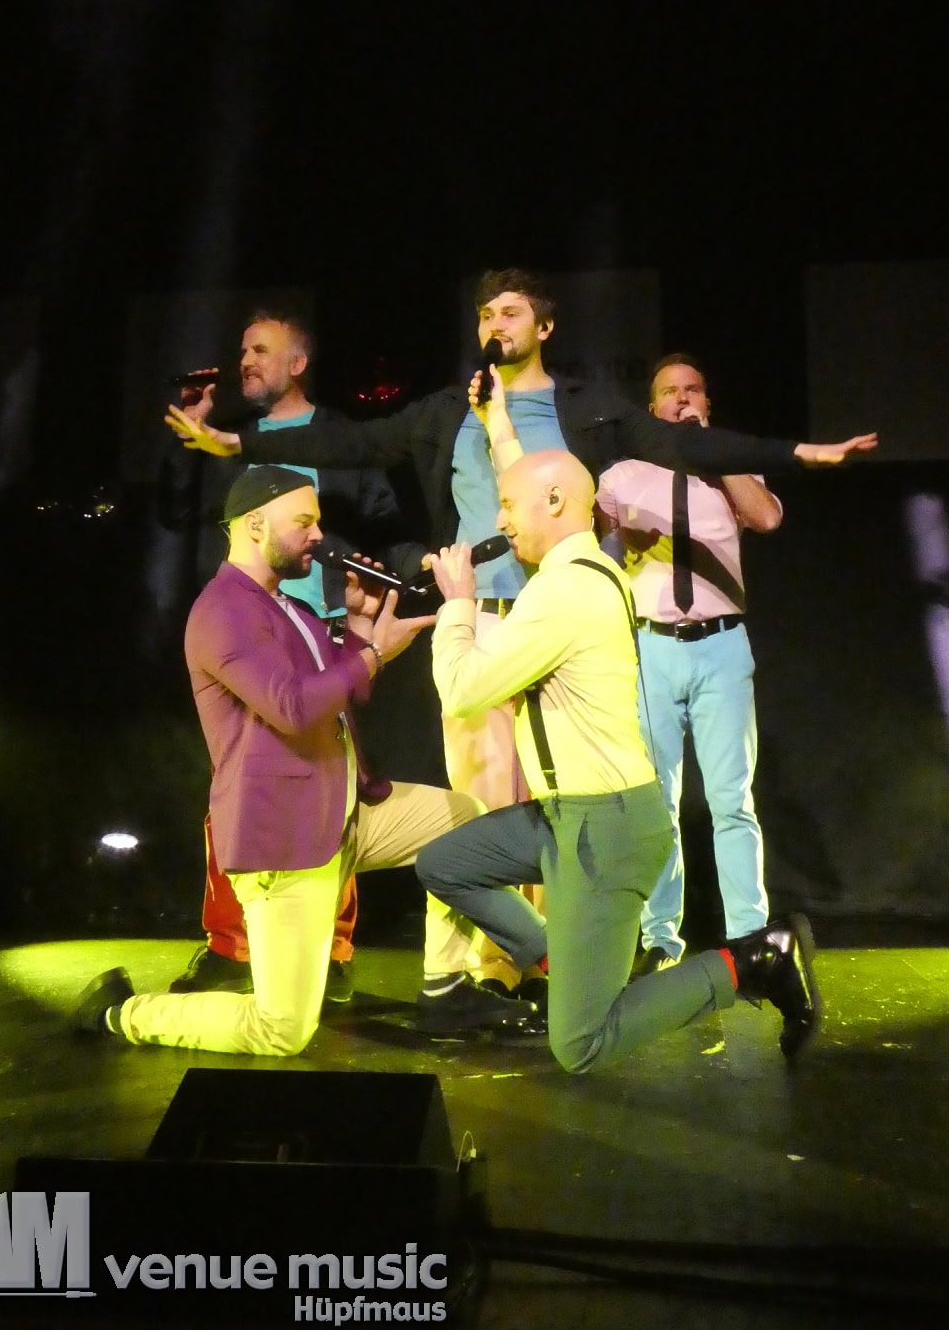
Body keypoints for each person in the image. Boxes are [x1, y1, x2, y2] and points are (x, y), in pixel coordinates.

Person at [164, 269, 876, 1003]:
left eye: (509, 312)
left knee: (552, 807)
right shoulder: (450, 410)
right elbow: (354, 442)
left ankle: (540, 963)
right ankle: (464, 975)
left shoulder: (586, 409)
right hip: (480, 618)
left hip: (559, 623)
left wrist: (797, 453)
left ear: (543, 327)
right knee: (475, 803)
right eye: (485, 314)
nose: (494, 325)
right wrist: (235, 442)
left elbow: (679, 444)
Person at [73, 467, 536, 1054]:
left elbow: (338, 693)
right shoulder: (223, 610)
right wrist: (372, 655)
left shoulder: (286, 606)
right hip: (286, 835)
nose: (319, 535)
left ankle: (446, 988)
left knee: (464, 822)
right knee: (282, 1031)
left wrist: (361, 629)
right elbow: (292, 707)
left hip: (344, 811)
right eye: (304, 522)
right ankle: (121, 1014)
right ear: (254, 525)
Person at [414, 449, 820, 1073]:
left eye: (510, 504)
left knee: (580, 1044)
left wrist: (457, 605)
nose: (500, 519)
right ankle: (563, 959)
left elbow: (463, 690)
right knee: (445, 864)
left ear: (554, 501)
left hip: (602, 825)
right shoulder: (586, 575)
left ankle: (752, 963)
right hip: (563, 815)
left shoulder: (568, 590)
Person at [159, 308, 421, 1002]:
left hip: (324, 627)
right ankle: (231, 946)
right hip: (248, 631)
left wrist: (381, 581)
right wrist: (192, 440)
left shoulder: (339, 438)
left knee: (333, 787)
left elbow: (381, 520)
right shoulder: (230, 439)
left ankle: (331, 949)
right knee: (236, 788)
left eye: (261, 350)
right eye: (243, 349)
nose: (245, 361)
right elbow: (181, 516)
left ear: (297, 363)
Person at [596, 353, 782, 976]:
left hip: (721, 646)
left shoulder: (730, 468)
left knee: (732, 800)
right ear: (651, 409)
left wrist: (714, 452)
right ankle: (660, 938)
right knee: (658, 803)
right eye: (669, 392)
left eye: (692, 390)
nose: (681, 399)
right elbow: (594, 550)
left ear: (706, 402)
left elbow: (767, 517)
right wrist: (619, 536)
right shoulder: (624, 475)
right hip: (651, 647)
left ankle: (749, 938)